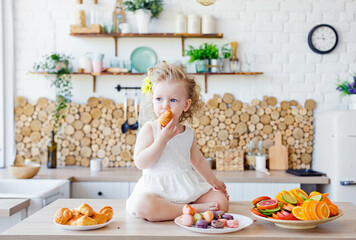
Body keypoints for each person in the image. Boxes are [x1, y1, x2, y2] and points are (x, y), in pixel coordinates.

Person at [126, 62, 229, 222]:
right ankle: (188, 210)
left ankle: (184, 208)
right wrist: (161, 140)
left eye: (173, 100)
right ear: (153, 99)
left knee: (221, 202)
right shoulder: (150, 129)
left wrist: (214, 182)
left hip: (184, 188)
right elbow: (141, 162)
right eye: (159, 99)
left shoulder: (187, 133)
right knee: (142, 205)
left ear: (186, 105)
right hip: (156, 191)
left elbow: (199, 161)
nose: (164, 106)